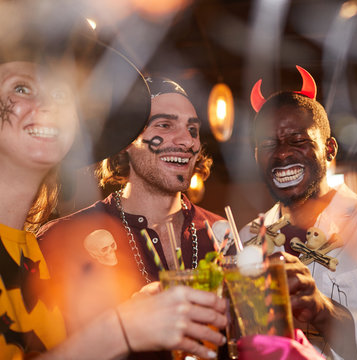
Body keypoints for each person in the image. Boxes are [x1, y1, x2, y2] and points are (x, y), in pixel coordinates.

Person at [0, 1, 226, 359]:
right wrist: (123, 329)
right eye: (22, 88)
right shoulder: (57, 243)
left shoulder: (29, 255)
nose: (49, 105)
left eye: (62, 93)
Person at [239, 66, 357, 360]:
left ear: (329, 149)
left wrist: (324, 312)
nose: (282, 153)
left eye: (299, 140)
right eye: (267, 144)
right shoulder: (247, 238)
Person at [37, 76, 233, 357]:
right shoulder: (60, 241)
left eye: (193, 129)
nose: (186, 141)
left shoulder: (226, 237)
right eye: (165, 125)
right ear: (127, 140)